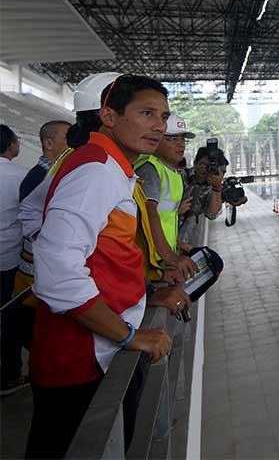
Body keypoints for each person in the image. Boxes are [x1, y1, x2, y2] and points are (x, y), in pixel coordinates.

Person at [26, 75, 173, 459]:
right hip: (83, 359)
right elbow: (57, 273)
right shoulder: (95, 169)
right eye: (146, 113)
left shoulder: (111, 167)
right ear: (108, 115)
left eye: (163, 115)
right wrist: (128, 335)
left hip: (99, 350)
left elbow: (106, 256)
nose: (159, 125)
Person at [11, 121, 71, 367]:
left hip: (40, 283)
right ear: (48, 143)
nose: (74, 144)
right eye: (68, 138)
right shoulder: (41, 177)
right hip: (32, 285)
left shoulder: (53, 172)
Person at [134, 114, 198, 280]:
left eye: (183, 139)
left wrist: (179, 244)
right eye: (172, 138)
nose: (181, 144)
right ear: (155, 140)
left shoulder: (171, 172)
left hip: (160, 257)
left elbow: (167, 217)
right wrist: (171, 257)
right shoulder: (150, 170)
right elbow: (150, 213)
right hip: (150, 261)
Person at [0, 125, 29, 396]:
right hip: (7, 259)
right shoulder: (21, 176)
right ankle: (9, 375)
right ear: (10, 146)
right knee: (8, 318)